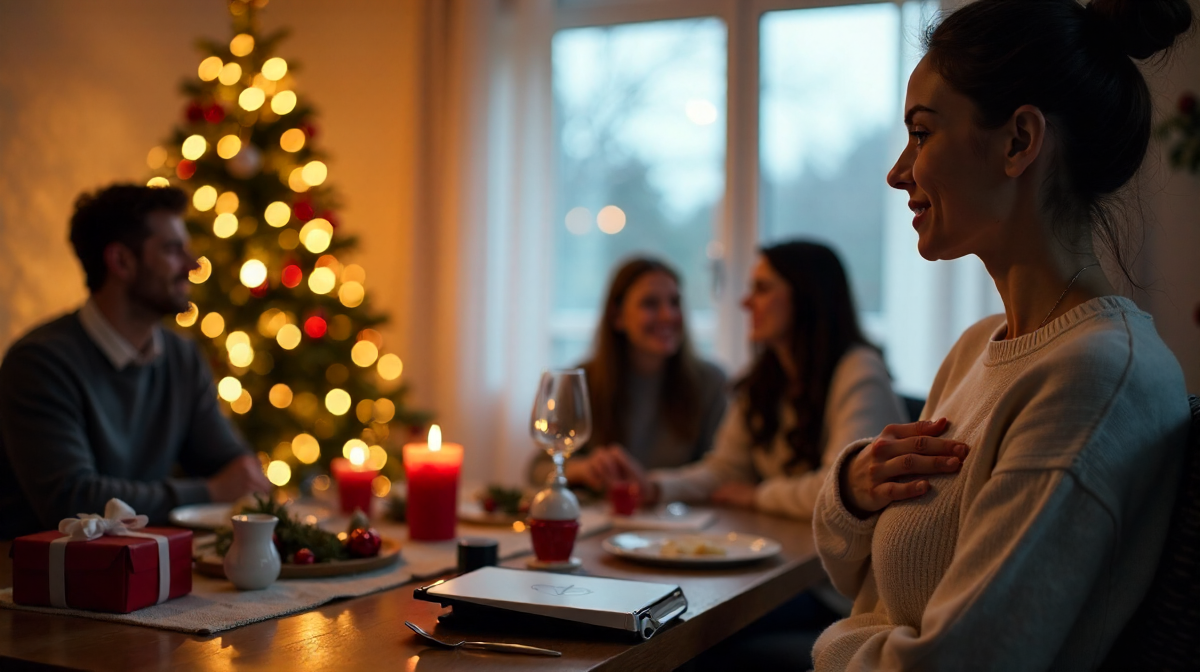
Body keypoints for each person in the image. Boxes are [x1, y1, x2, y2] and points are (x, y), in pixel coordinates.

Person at [811, 1, 1193, 670]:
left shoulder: (1096, 376)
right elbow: (862, 584)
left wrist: (834, 646)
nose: (899, 172)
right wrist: (853, 489)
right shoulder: (976, 351)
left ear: (1019, 141)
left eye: (922, 134)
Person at [0, 184, 270, 539]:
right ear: (122, 262)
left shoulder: (181, 356)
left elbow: (232, 465)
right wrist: (211, 493)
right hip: (44, 582)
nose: (193, 265)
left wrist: (242, 478)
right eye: (173, 250)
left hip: (147, 567)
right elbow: (72, 502)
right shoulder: (39, 363)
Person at [621, 241, 906, 520]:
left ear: (806, 297)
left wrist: (757, 496)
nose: (745, 302)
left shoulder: (859, 370)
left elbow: (844, 488)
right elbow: (726, 470)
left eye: (762, 288)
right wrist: (656, 487)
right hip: (795, 544)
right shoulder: (765, 379)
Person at [528, 258, 727, 490]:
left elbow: (721, 472)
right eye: (651, 304)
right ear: (617, 317)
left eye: (675, 302)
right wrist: (583, 468)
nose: (668, 315)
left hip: (679, 522)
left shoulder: (710, 383)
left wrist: (654, 487)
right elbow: (537, 469)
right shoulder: (585, 381)